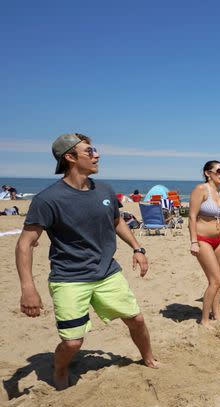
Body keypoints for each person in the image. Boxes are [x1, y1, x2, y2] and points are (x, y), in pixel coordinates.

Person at [15, 133, 160, 390]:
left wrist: (138, 247)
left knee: (136, 319)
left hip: (107, 273)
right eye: (90, 150)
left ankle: (148, 357)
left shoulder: (104, 190)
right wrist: (28, 287)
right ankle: (59, 367)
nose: (97, 155)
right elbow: (24, 243)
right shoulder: (48, 199)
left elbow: (117, 221)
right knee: (73, 343)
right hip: (69, 278)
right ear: (70, 157)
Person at [188, 160, 220, 329]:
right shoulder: (201, 190)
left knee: (219, 279)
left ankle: (216, 313)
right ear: (207, 173)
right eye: (218, 171)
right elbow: (192, 217)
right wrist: (193, 241)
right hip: (203, 239)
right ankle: (204, 319)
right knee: (214, 279)